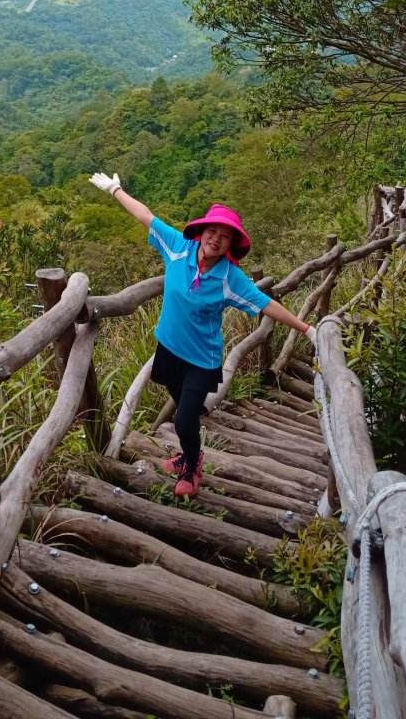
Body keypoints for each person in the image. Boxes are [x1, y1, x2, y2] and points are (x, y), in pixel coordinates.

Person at [89, 170, 317, 498]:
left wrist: (306, 328)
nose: (216, 238)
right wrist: (115, 190)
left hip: (201, 359)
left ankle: (193, 463)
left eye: (224, 237)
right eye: (212, 231)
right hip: (168, 347)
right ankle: (187, 452)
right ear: (202, 232)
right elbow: (146, 217)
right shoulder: (179, 248)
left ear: (230, 245)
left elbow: (267, 304)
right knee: (184, 410)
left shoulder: (230, 278)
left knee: (183, 419)